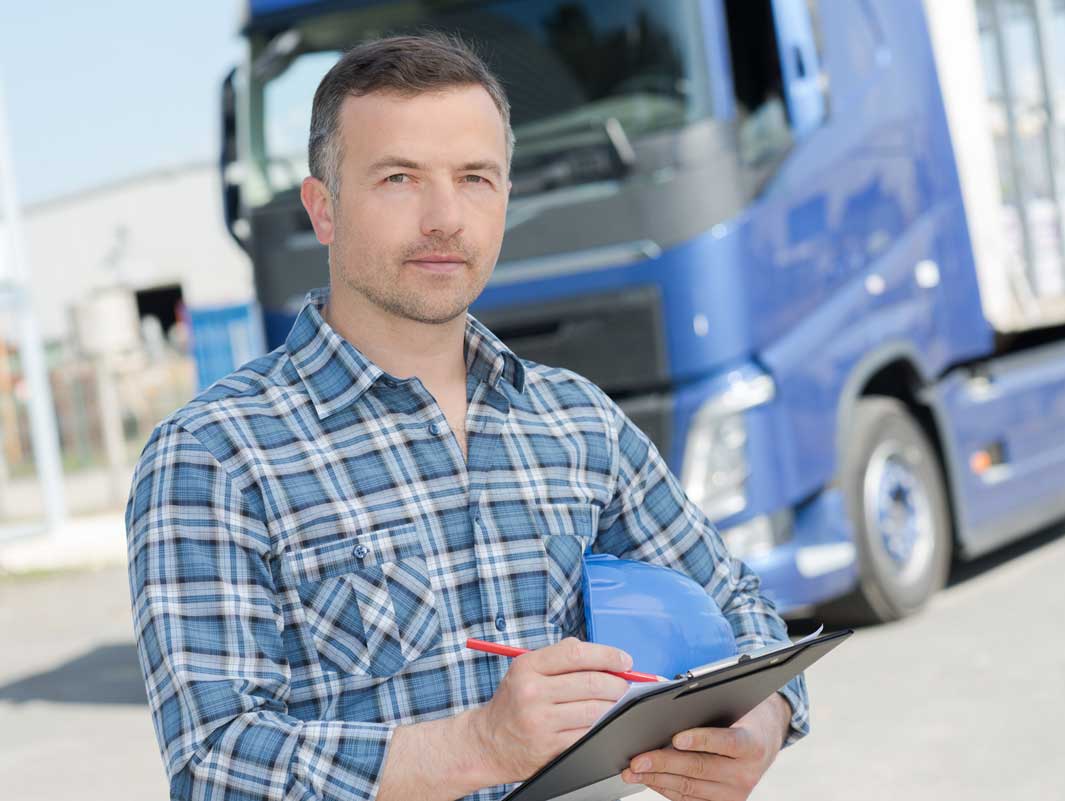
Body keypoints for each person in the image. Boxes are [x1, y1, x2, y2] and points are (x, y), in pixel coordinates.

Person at [125, 32, 808, 801]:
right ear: (324, 208)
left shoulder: (576, 421)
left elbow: (740, 606)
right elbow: (217, 763)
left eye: (475, 178)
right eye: (398, 178)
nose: (445, 216)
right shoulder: (216, 455)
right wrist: (480, 744)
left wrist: (759, 723)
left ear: (504, 198)